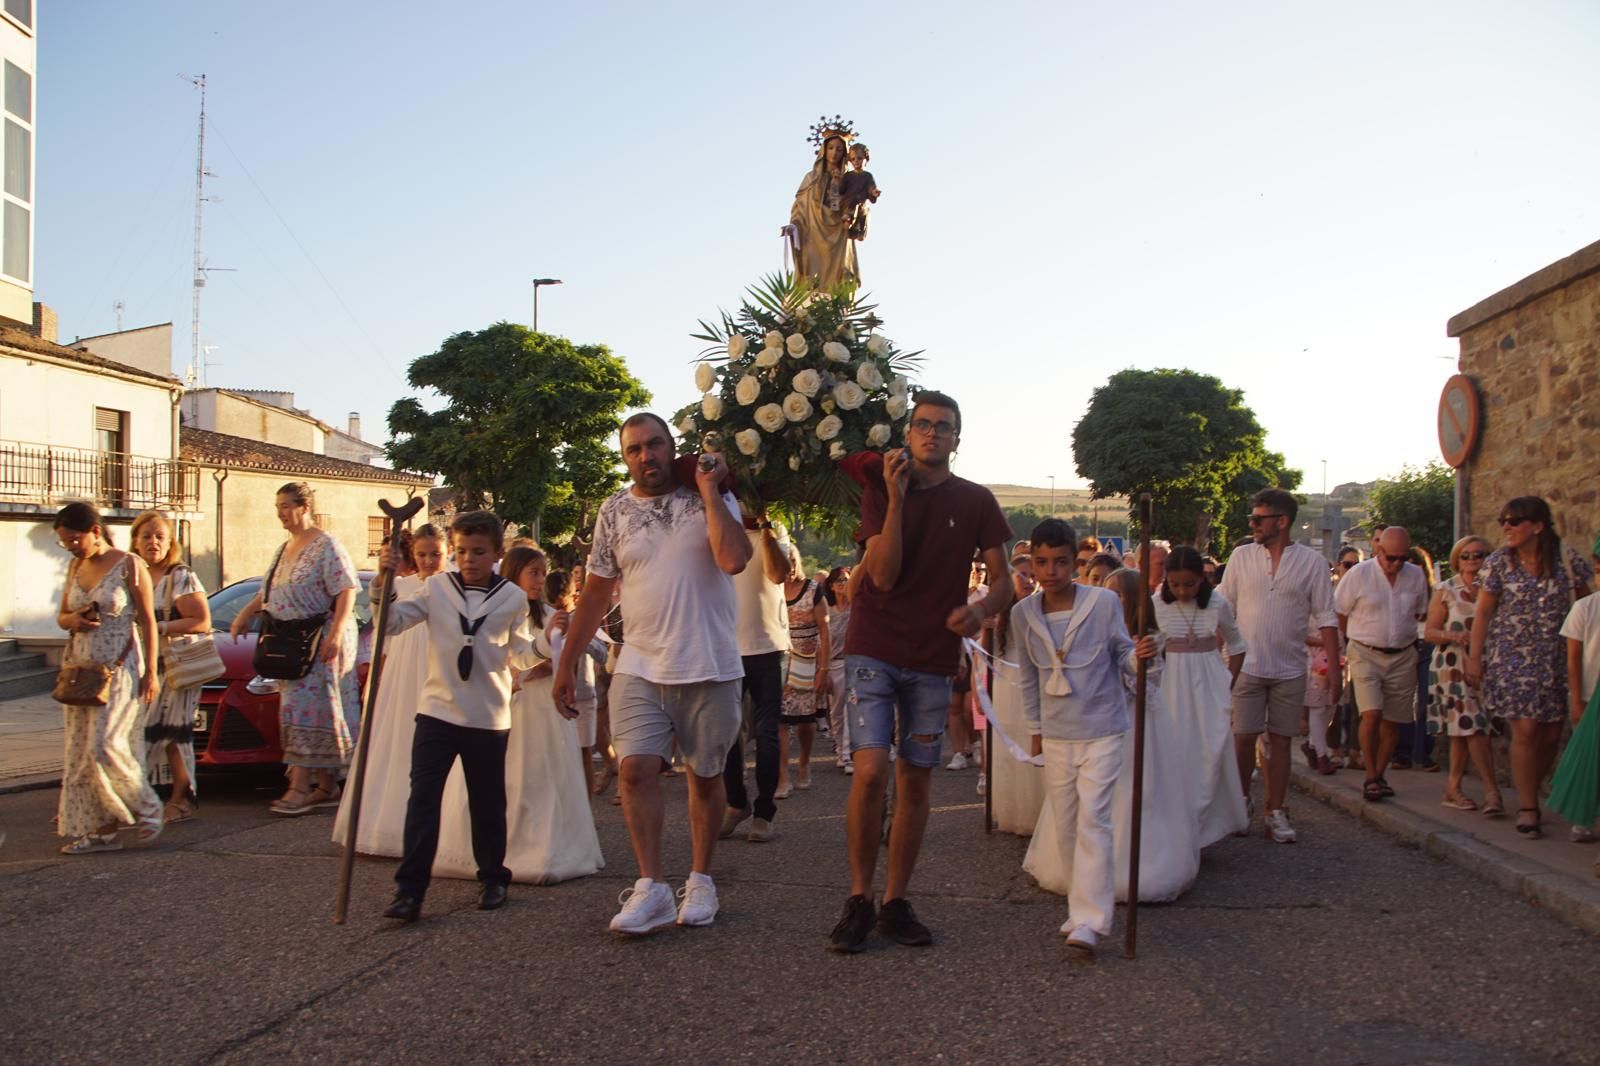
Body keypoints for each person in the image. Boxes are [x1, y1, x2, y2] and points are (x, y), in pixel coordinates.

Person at [828, 390, 1014, 953]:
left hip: (933, 658)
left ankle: (894, 901)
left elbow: (1005, 581)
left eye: (944, 427)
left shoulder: (977, 500)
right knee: (869, 773)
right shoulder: (880, 490)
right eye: (924, 425)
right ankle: (859, 898)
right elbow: (881, 577)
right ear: (908, 434)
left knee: (915, 777)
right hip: (873, 648)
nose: (933, 434)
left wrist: (980, 611)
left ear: (958, 439)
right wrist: (896, 497)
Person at [554, 413, 752, 935]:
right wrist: (568, 662)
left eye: (655, 445)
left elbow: (734, 559)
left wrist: (710, 492)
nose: (647, 456)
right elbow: (596, 592)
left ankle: (702, 878)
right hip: (640, 662)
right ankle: (652, 888)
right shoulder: (614, 511)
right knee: (635, 770)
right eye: (635, 449)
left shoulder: (710, 493)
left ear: (671, 446)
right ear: (625, 457)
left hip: (708, 662)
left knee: (705, 776)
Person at [374, 513, 548, 921]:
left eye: (479, 552)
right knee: (422, 801)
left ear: (497, 554)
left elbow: (520, 652)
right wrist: (382, 588)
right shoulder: (437, 588)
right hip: (436, 711)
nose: (469, 559)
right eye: (462, 551)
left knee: (487, 802)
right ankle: (410, 891)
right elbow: (394, 623)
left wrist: (547, 642)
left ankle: (493, 877)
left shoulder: (511, 598)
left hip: (487, 716)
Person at [1009, 521, 1159, 958]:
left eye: (1060, 562)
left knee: (1095, 818)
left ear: (1074, 562)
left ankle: (1092, 921)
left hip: (1102, 727)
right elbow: (1030, 679)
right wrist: (1036, 729)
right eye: (1041, 562)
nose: (1050, 571)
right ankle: (1080, 908)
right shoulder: (1024, 614)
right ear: (1032, 563)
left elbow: (1121, 655)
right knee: (1067, 822)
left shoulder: (1104, 602)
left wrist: (1142, 656)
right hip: (1057, 733)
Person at [433, 549, 605, 886]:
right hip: (509, 704)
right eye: (533, 573)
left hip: (543, 706)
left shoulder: (552, 614)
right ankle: (496, 849)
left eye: (543, 573)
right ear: (515, 573)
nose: (540, 581)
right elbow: (496, 655)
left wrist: (555, 656)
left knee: (543, 775)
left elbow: (568, 655)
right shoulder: (501, 612)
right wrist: (524, 669)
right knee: (505, 776)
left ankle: (544, 845)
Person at [228, 482, 361, 815]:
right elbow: (267, 591)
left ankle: (299, 787)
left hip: (317, 639)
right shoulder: (283, 548)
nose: (281, 514)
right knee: (299, 710)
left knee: (308, 710)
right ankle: (326, 785)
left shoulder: (326, 545)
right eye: (278, 507)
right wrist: (245, 614)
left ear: (304, 506)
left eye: (286, 506)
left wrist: (335, 635)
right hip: (287, 642)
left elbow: (346, 590)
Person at [1468, 497, 1595, 838]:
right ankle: (1528, 806)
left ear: (1537, 526)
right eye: (1503, 521)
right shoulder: (1498, 564)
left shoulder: (1567, 560)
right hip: (1511, 659)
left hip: (1557, 658)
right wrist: (1474, 656)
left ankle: (1533, 788)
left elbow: (1587, 605)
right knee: (1524, 729)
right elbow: (1482, 613)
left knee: (1552, 733)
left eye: (1515, 521)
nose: (1506, 527)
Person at [1220, 488, 1341, 844]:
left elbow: (1327, 616)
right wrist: (1213, 659)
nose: (1253, 524)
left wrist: (1334, 668)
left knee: (1281, 741)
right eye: (1252, 518)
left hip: (1290, 667)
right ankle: (1241, 803)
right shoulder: (1241, 557)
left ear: (1282, 521)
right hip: (1247, 665)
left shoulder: (1313, 564)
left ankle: (1276, 809)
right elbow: (1222, 610)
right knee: (1243, 739)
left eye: (1259, 519)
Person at [52, 503, 164, 854]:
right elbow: (61, 617)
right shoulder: (74, 566)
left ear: (95, 532)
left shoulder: (128, 565)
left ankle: (148, 806)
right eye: (64, 541)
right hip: (81, 671)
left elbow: (147, 620)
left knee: (105, 745)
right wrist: (75, 620)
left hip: (119, 668)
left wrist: (151, 672)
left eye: (74, 539)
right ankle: (100, 830)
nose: (70, 546)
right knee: (81, 753)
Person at [333, 523, 446, 857]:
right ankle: (391, 825)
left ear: (447, 553)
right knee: (397, 738)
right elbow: (385, 624)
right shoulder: (400, 585)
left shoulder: (452, 584)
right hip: (403, 669)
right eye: (422, 555)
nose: (428, 561)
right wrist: (383, 575)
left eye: (435, 554)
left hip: (436, 667)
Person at [1153, 546, 1250, 842]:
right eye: (1175, 585)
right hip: (1171, 684)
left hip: (1207, 682)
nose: (1182, 591)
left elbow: (1237, 644)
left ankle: (1205, 825)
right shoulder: (1157, 604)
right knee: (1177, 748)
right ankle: (1176, 825)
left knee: (1210, 746)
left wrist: (1227, 680)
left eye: (1190, 584)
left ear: (1202, 580)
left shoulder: (1217, 603)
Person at [1336, 527, 1430, 802]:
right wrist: (1346, 643)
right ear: (1378, 551)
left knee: (1394, 720)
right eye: (1391, 558)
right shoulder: (1359, 575)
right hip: (1365, 651)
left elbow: (1420, 611)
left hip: (1402, 654)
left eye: (1403, 558)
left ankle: (1378, 773)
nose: (1397, 564)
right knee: (1372, 713)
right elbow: (1340, 612)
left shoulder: (1415, 576)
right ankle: (1369, 776)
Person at [130, 510, 211, 823]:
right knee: (145, 732)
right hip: (144, 665)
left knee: (174, 732)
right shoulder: (132, 574)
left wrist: (158, 628)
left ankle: (181, 797)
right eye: (147, 536)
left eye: (159, 536)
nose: (153, 542)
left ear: (170, 542)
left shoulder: (180, 575)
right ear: (135, 541)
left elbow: (201, 620)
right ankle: (144, 797)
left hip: (178, 667)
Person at [721, 511, 789, 842]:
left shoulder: (775, 530)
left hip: (768, 646)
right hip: (726, 647)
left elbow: (778, 574)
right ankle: (736, 802)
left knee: (767, 734)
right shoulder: (720, 529)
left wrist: (765, 528)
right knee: (727, 734)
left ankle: (765, 811)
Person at [1423, 535, 1502, 814]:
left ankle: (1453, 787)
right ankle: (1492, 791)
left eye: (1479, 555)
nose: (1472, 560)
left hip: (1486, 665)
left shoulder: (1495, 589)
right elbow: (1429, 632)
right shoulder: (1446, 590)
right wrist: (1455, 636)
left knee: (1462, 730)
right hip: (1452, 665)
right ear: (1457, 559)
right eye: (1466, 556)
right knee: (1474, 724)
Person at [1552, 532, 1600, 844]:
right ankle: (1583, 815)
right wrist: (1576, 700)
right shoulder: (1585, 607)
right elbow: (1572, 657)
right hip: (1590, 694)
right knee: (1588, 759)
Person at [778, 543, 829, 795]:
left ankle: (805, 763)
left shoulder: (812, 589)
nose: (787, 566)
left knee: (806, 722)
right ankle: (783, 774)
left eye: (790, 560)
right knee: (780, 720)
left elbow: (825, 629)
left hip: (808, 661)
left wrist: (824, 669)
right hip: (779, 660)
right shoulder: (772, 588)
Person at [788, 133, 858, 288]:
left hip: (839, 233)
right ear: (824, 150)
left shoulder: (849, 180)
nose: (834, 153)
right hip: (813, 232)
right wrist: (794, 227)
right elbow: (800, 208)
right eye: (831, 148)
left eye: (839, 150)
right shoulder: (811, 179)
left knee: (839, 278)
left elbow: (856, 204)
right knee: (811, 271)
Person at [823, 565, 854, 773]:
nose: (843, 584)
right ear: (832, 586)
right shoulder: (827, 609)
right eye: (840, 581)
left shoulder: (857, 607)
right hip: (833, 663)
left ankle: (847, 754)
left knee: (851, 708)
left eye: (847, 580)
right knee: (836, 711)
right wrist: (822, 669)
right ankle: (840, 747)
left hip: (854, 661)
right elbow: (821, 639)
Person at [840, 141, 881, 240]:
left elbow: (871, 187)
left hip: (861, 204)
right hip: (847, 202)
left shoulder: (867, 176)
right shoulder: (848, 175)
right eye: (853, 159)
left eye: (859, 158)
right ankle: (848, 219)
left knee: (863, 209)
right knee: (854, 200)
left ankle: (858, 229)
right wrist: (837, 178)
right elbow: (841, 189)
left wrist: (873, 192)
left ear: (865, 159)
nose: (856, 161)